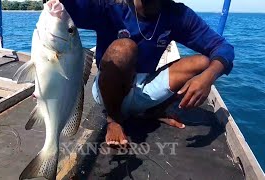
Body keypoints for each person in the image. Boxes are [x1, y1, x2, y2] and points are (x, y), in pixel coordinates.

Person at [61, 0, 235, 145]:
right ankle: (114, 119)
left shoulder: (176, 13)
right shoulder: (110, 5)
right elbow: (72, 8)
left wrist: (208, 77)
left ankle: (153, 111)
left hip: (145, 86)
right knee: (123, 48)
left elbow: (222, 47)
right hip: (108, 90)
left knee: (204, 63)